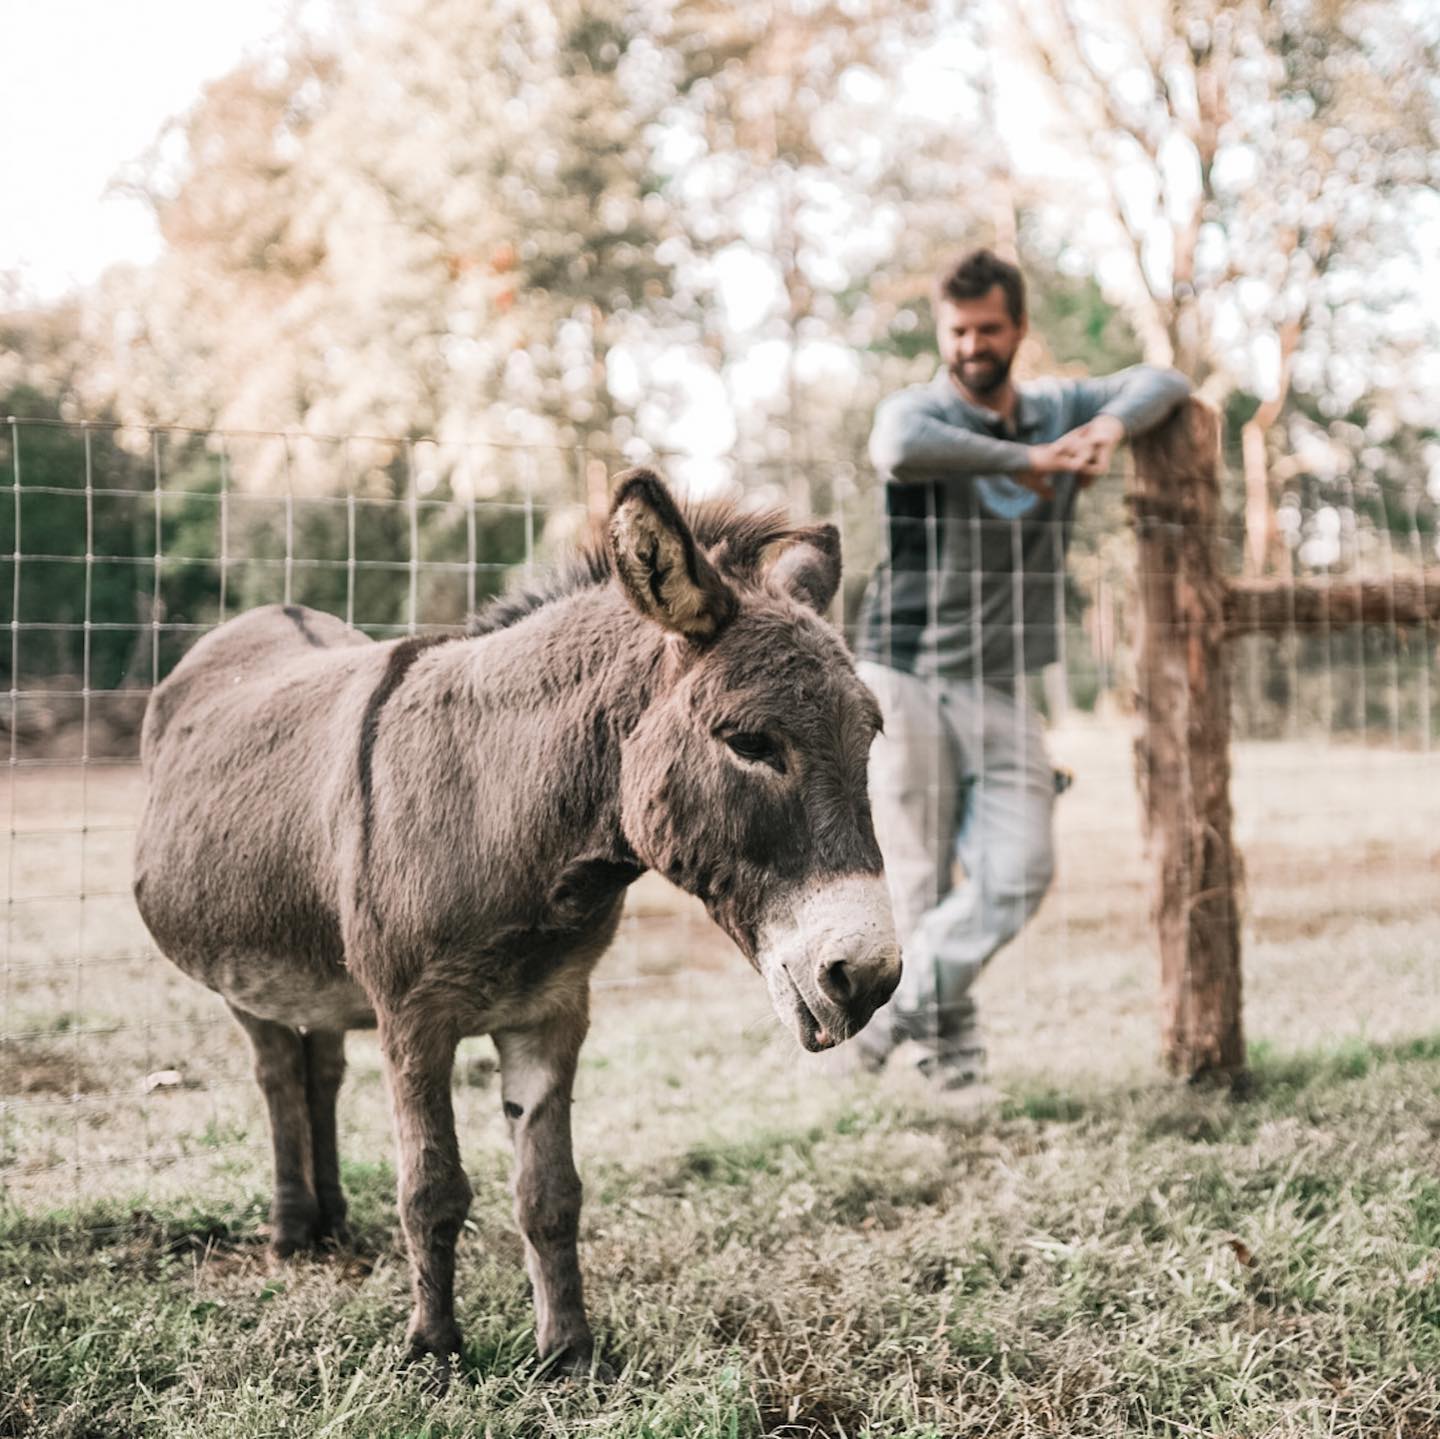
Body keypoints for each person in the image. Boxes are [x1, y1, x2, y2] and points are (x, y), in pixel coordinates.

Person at [852, 247, 1191, 1088]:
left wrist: (1107, 426)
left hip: (1003, 682)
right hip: (907, 672)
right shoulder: (922, 413)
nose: (970, 344)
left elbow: (1163, 381)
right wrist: (1029, 464)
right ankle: (953, 1071)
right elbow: (892, 444)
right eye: (956, 329)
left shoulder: (1057, 408)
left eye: (987, 328)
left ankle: (888, 1019)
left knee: (1020, 868)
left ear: (1019, 329)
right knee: (922, 879)